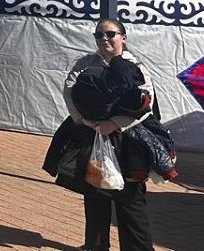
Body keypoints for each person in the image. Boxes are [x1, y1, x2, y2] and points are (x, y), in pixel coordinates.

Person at [44, 19, 159, 251]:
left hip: (127, 140)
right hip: (91, 135)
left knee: (130, 199)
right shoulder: (85, 63)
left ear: (123, 38)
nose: (104, 39)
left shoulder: (136, 65)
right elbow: (69, 91)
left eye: (110, 34)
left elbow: (147, 102)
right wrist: (83, 120)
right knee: (95, 193)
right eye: (99, 35)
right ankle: (96, 247)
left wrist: (114, 123)